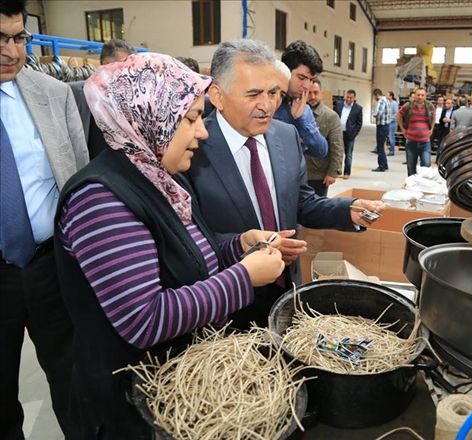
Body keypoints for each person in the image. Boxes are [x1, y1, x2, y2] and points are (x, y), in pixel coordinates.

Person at [54, 53, 285, 439]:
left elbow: (188, 257)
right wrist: (245, 277)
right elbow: (145, 320)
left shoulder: (159, 176)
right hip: (131, 404)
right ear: (150, 116)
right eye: (191, 119)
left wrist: (239, 246)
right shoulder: (101, 200)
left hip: (176, 386)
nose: (203, 132)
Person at [188, 39, 383, 329]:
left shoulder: (285, 136)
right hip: (225, 307)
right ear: (217, 95)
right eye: (254, 94)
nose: (266, 106)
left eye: (274, 93)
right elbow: (188, 240)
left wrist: (348, 210)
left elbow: (301, 202)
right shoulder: (192, 149)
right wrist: (246, 247)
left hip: (285, 291)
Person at [0, 1, 88, 438]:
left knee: (72, 378)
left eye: (19, 38)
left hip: (51, 265)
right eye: (0, 38)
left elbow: (78, 180)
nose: (11, 51)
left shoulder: (54, 95)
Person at [70, 38, 135, 159]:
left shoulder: (128, 96)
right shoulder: (77, 93)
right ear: (105, 64)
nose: (126, 72)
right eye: (122, 65)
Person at [274, 40, 328, 158]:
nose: (307, 86)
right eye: (301, 77)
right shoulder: (268, 104)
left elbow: (321, 150)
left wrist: (301, 120)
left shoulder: (304, 110)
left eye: (311, 80)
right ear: (285, 71)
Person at [306, 78, 343, 196]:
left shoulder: (331, 117)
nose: (312, 97)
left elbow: (337, 146)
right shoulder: (295, 113)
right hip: (297, 173)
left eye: (316, 93)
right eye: (309, 93)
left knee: (317, 210)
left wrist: (332, 172)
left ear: (321, 93)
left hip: (318, 176)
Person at [396, 87, 435, 176]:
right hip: (411, 142)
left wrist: (431, 129)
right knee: (411, 168)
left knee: (426, 165)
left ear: (426, 96)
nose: (420, 97)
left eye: (422, 95)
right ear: (415, 96)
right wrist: (402, 129)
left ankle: (422, 185)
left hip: (425, 142)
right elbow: (398, 115)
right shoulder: (408, 106)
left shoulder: (430, 106)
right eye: (418, 95)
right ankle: (411, 187)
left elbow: (434, 117)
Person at [334, 89, 362, 178]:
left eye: (351, 98)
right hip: (338, 133)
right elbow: (334, 117)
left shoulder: (358, 108)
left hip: (350, 134)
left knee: (348, 154)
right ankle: (337, 171)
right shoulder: (339, 105)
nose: (349, 99)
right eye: (347, 97)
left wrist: (354, 134)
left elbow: (359, 123)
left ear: (354, 98)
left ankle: (347, 173)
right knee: (337, 153)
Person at [372, 88, 392, 172]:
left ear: (377, 95)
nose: (375, 99)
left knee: (380, 147)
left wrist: (374, 114)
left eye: (374, 97)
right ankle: (385, 164)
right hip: (386, 126)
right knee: (382, 146)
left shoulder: (381, 101)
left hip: (382, 126)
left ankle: (381, 166)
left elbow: (378, 113)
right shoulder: (386, 100)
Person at [387, 91, 399, 155]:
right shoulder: (388, 103)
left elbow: (396, 113)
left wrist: (390, 119)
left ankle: (392, 151)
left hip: (392, 122)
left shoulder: (394, 103)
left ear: (391, 96)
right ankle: (377, 149)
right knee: (385, 136)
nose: (387, 96)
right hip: (387, 122)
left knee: (391, 137)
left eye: (388, 95)